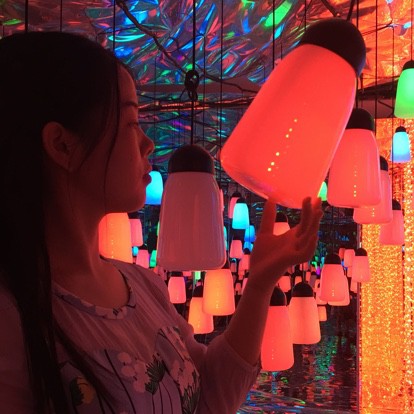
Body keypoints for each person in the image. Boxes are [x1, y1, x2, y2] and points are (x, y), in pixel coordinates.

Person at [0, 31, 323, 414]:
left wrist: (260, 284)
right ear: (62, 145)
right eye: (131, 122)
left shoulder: (142, 286)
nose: (148, 143)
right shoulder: (12, 315)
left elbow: (208, 399)